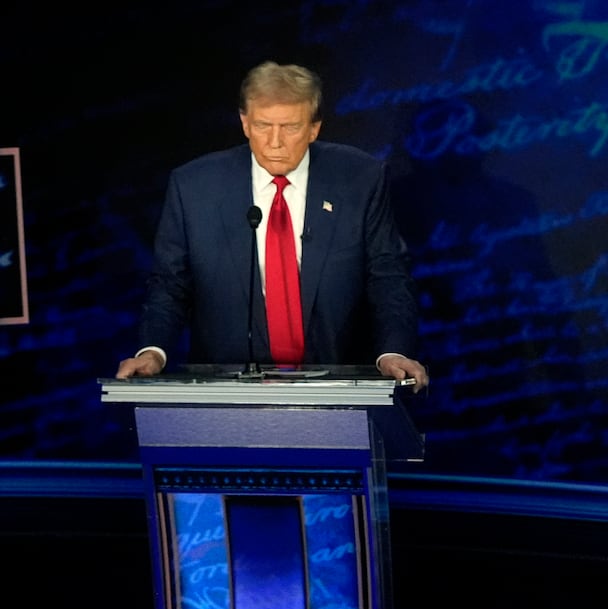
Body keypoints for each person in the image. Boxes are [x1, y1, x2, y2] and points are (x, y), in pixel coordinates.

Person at [115, 61, 427, 389]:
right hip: (227, 391)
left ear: (314, 128)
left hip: (339, 384)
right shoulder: (194, 187)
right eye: (263, 125)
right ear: (245, 123)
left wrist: (393, 351)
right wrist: (153, 351)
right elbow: (170, 284)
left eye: (290, 127)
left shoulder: (360, 180)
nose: (275, 142)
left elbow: (388, 276)